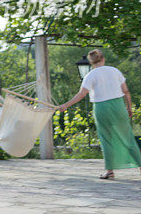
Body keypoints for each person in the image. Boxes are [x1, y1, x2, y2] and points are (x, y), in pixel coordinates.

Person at [58, 49, 141, 180]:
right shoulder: (115, 71)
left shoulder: (90, 75)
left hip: (101, 108)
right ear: (103, 59)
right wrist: (129, 107)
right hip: (118, 106)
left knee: (106, 139)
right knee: (128, 137)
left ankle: (110, 171)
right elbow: (126, 91)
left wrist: (65, 105)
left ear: (91, 62)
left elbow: (81, 94)